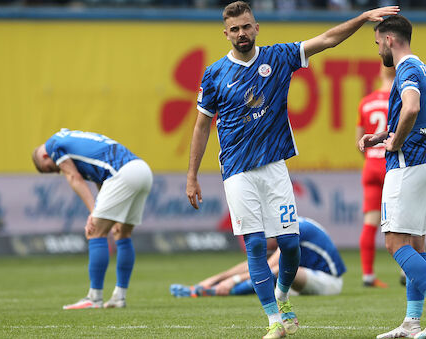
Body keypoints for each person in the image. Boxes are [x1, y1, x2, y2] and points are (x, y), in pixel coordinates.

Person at [186, 2, 399, 338]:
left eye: (247, 26)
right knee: (255, 245)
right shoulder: (213, 75)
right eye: (235, 29)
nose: (242, 33)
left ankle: (282, 296)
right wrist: (192, 175)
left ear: (257, 28)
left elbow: (327, 39)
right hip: (237, 172)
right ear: (226, 33)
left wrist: (360, 18)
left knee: (289, 244)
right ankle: (273, 320)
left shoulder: (279, 57)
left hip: (274, 167)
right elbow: (201, 127)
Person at [359, 16, 426, 339]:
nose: (378, 52)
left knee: (394, 243)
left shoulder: (405, 69)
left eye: (377, 43)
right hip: (424, 162)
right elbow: (410, 114)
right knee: (415, 245)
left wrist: (396, 141)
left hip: (407, 165)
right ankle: (411, 322)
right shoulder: (423, 68)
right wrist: (383, 136)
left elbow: (412, 108)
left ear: (389, 39)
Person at [32, 128, 153, 310]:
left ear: (44, 156)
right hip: (142, 171)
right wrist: (100, 210)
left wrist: (93, 212)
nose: (57, 171)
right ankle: (119, 297)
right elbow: (102, 181)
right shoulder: (71, 140)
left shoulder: (53, 145)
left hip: (123, 174)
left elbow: (74, 177)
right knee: (121, 233)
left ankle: (94, 297)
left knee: (95, 232)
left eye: (50, 169)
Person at [170, 217, 346, 298]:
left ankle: (217, 292)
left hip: (329, 282)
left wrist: (233, 281)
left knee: (279, 269)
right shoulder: (286, 225)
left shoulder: (293, 231)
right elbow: (255, 264)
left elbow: (269, 267)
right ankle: (206, 286)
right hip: (303, 281)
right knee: (260, 264)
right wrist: (214, 278)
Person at [355, 64, 395, 289]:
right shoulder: (399, 98)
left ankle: (368, 275)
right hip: (391, 165)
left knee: (370, 222)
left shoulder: (366, 102)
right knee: (401, 219)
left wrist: (371, 159)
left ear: (380, 73)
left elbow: (359, 141)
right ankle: (404, 272)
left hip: (370, 164)